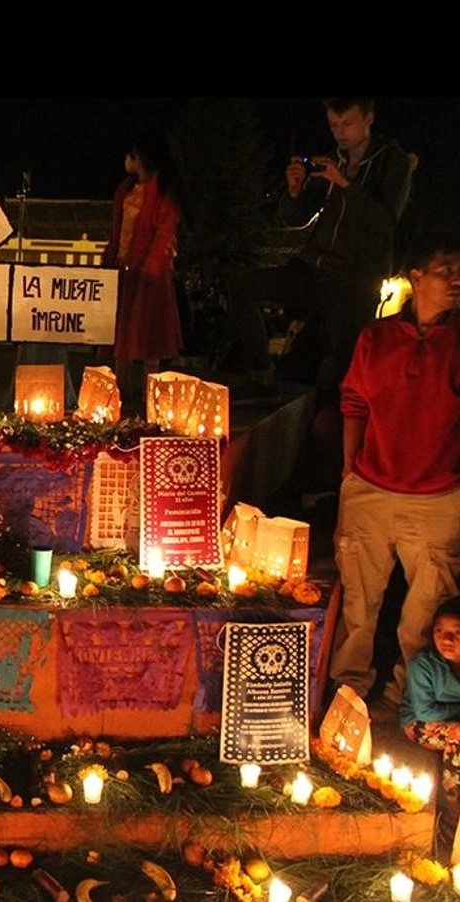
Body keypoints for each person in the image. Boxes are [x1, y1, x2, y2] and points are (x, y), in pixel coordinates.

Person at [227, 99, 412, 483]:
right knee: (242, 286)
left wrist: (345, 185)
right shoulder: (332, 161)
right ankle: (262, 371)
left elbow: (383, 223)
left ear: (369, 119)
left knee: (347, 375)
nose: (340, 132)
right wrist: (294, 191)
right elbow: (295, 219)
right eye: (333, 125)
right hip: (312, 268)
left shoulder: (391, 162)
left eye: (347, 123)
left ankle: (339, 471)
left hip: (354, 279)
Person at [329, 229, 460, 710]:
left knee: (425, 611)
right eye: (445, 270)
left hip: (438, 495)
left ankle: (412, 697)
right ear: (416, 276)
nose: (455, 280)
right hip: (371, 487)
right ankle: (348, 690)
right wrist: (350, 467)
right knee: (360, 605)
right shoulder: (377, 336)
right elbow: (354, 400)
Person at [102, 126, 184, 404]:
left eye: (131, 154)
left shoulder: (163, 191)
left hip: (150, 276)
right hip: (125, 271)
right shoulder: (125, 190)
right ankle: (117, 394)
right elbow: (117, 231)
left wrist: (150, 268)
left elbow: (164, 233)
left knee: (149, 338)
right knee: (122, 338)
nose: (126, 159)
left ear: (140, 157)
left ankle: (154, 400)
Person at [400, 596, 460, 825]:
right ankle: (452, 805)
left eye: (456, 632)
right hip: (419, 724)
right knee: (457, 734)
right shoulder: (424, 665)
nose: (446, 639)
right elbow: (424, 711)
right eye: (439, 631)